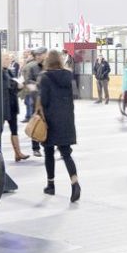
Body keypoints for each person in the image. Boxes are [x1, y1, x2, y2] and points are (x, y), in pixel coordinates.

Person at [34, 49, 80, 201]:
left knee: (48, 153)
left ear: (48, 61)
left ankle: (51, 185)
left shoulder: (44, 77)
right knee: (66, 154)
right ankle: (75, 183)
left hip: (50, 121)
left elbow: (44, 100)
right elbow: (74, 95)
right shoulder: (68, 75)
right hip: (66, 120)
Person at [0, 53, 25, 163]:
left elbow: (13, 86)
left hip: (12, 105)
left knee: (14, 129)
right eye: (6, 58)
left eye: (9, 59)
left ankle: (18, 153)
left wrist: (19, 87)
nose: (8, 60)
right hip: (3, 106)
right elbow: (5, 86)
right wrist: (16, 85)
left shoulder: (9, 71)